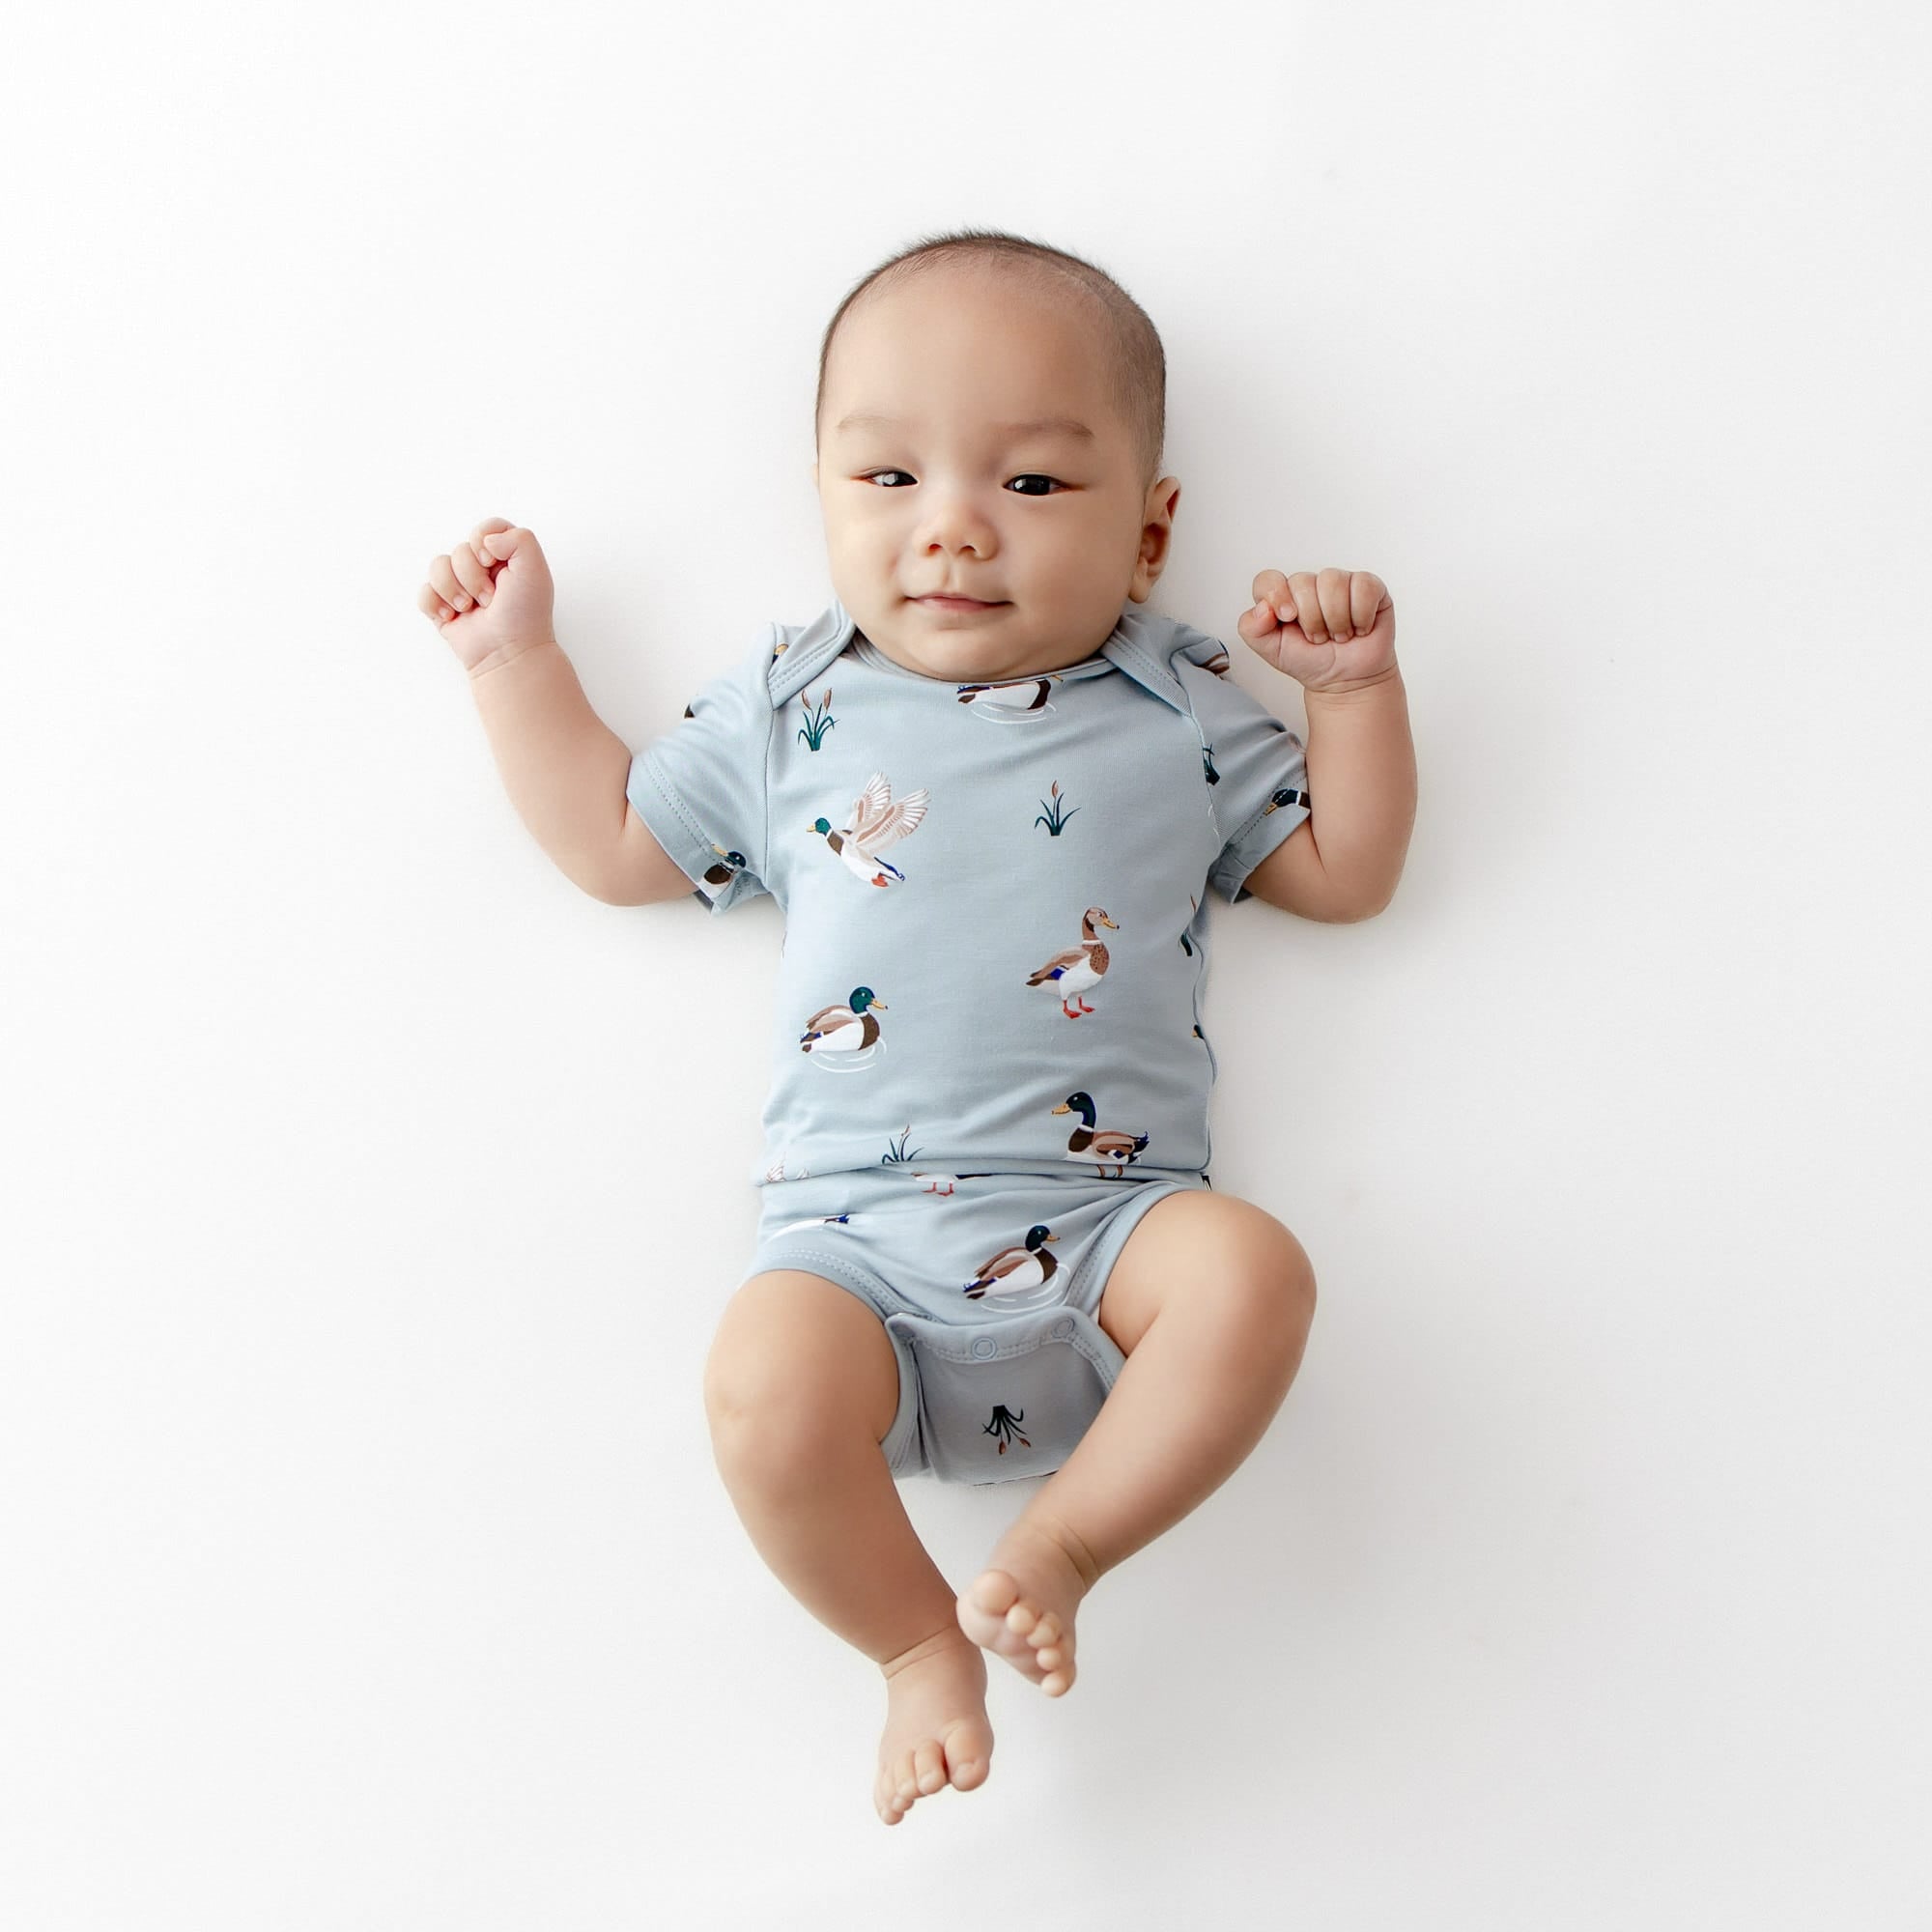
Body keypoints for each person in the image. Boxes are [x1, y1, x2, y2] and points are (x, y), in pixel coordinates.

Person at [417, 227, 1417, 1827]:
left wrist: (1355, 698)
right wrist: (512, 663)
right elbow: (618, 844)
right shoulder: (793, 703)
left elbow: (1345, 875)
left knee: (1258, 1272)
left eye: (1030, 485)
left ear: (1150, 532)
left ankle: (1059, 1551)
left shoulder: (1181, 704)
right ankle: (908, 1651)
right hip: (855, 1266)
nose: (952, 527)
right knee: (756, 1386)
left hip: (1111, 1242)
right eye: (887, 480)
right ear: (820, 496)